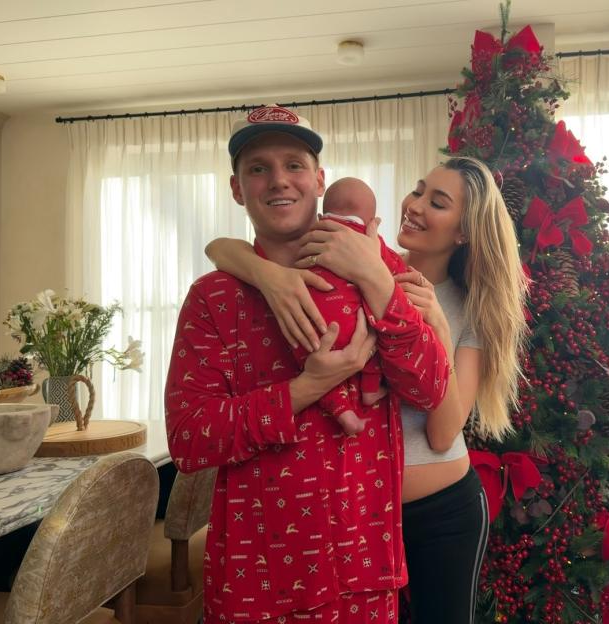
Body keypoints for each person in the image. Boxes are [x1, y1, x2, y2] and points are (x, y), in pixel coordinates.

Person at [206, 156, 529, 624]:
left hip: (442, 513)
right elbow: (228, 248)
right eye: (418, 189)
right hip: (358, 516)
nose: (414, 205)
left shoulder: (467, 308)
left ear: (463, 232)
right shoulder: (357, 261)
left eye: (436, 202)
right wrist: (263, 273)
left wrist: (435, 329)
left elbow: (442, 434)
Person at [165, 105, 451, 624]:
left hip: (363, 575)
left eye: (294, 165)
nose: (279, 180)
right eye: (259, 168)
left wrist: (378, 282)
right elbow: (189, 440)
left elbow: (431, 389)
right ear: (237, 189)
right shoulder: (215, 297)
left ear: (319, 180)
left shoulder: (379, 267)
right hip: (257, 587)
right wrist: (308, 387)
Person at [283, 176, 409, 435]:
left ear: (320, 215)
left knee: (312, 361)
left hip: (311, 320)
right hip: (356, 322)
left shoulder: (312, 233)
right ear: (372, 222)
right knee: (374, 345)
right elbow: (395, 271)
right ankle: (370, 392)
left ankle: (343, 412)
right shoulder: (369, 241)